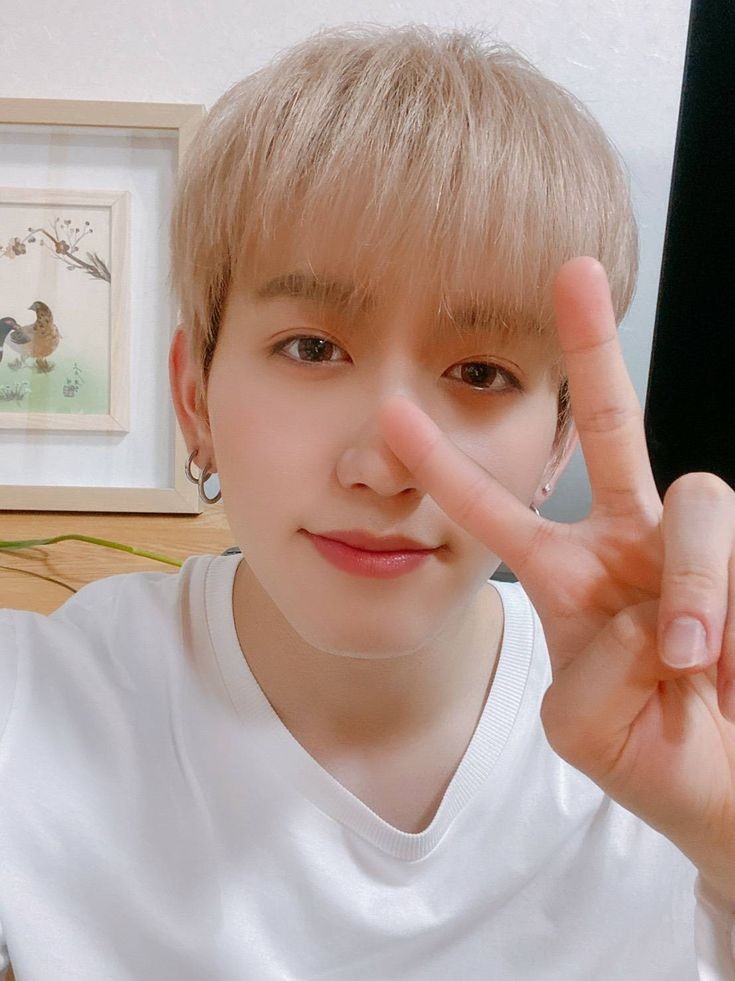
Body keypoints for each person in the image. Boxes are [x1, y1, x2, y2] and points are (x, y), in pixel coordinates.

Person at [1, 22, 734, 980]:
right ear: (194, 398)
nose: (384, 468)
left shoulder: (674, 728)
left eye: (480, 370)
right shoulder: (38, 710)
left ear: (558, 442)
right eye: (311, 348)